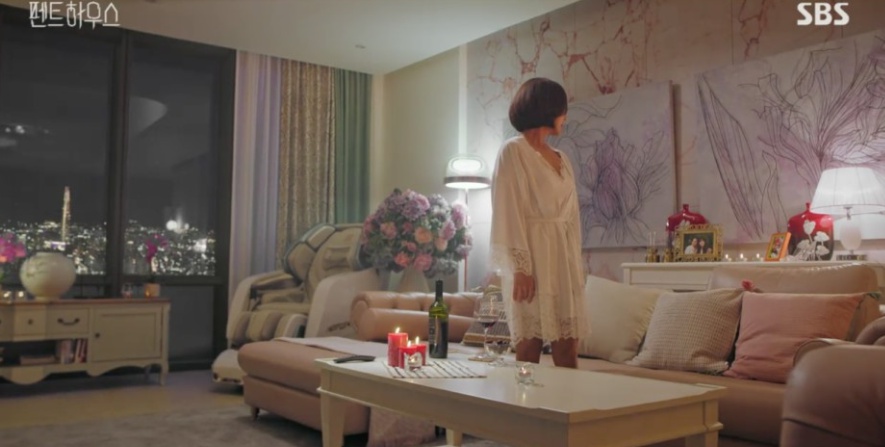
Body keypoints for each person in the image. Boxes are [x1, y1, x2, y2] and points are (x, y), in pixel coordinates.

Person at [489, 77, 587, 369]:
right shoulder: (513, 151)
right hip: (531, 259)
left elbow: (571, 217)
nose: (565, 116)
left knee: (567, 352)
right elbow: (507, 210)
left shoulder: (562, 158)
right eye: (562, 109)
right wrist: (521, 268)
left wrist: (575, 265)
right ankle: (525, 400)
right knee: (528, 351)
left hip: (563, 263)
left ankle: (569, 400)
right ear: (548, 109)